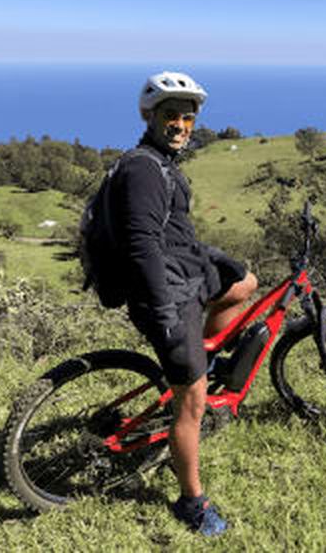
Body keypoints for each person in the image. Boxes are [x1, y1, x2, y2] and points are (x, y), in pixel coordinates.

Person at [110, 71, 257, 536]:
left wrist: (215, 260)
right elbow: (141, 248)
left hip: (185, 273)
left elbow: (172, 235)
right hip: (165, 296)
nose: (180, 124)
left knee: (245, 283)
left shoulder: (164, 163)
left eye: (187, 117)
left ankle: (203, 358)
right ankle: (192, 503)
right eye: (170, 115)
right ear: (148, 116)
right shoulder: (142, 169)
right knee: (191, 404)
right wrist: (167, 315)